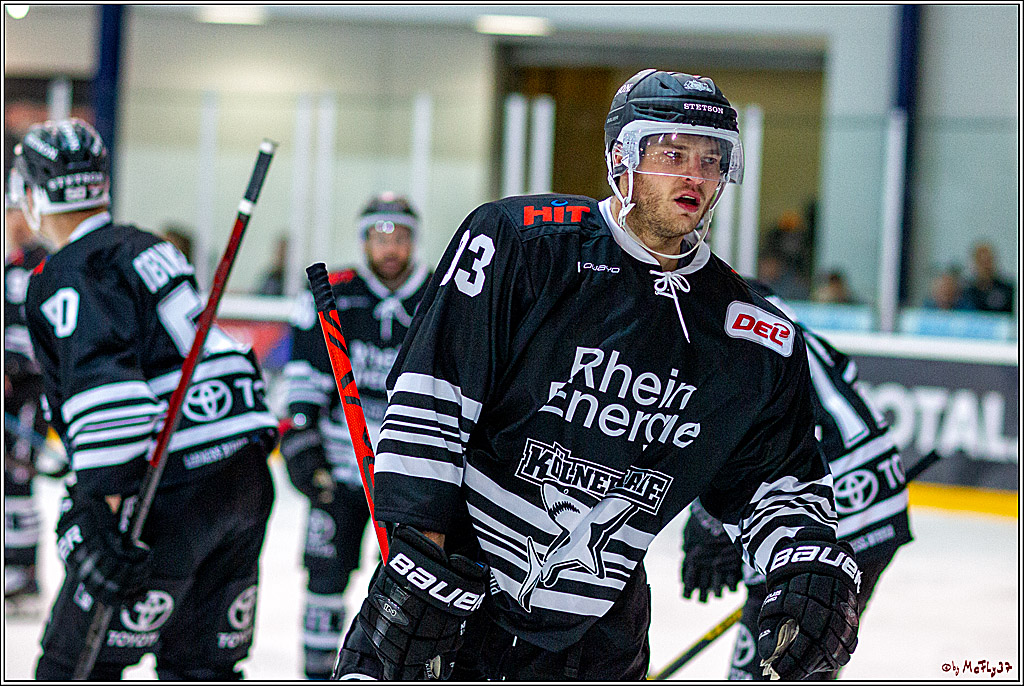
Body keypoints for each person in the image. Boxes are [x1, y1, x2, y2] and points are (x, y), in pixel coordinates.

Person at [333, 69, 860, 681]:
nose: (694, 176)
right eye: (672, 154)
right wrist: (417, 559)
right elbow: (433, 402)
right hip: (453, 592)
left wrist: (810, 568)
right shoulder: (520, 244)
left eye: (711, 159)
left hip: (598, 631)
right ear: (621, 158)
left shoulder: (750, 334)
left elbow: (774, 480)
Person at [15, 119, 279, 680]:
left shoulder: (68, 270)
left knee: (73, 667)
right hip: (245, 475)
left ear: (34, 193)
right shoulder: (147, 246)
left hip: (171, 487)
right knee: (201, 667)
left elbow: (108, 395)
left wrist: (100, 517)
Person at [680, 278, 913, 680]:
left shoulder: (702, 304)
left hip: (815, 500)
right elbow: (840, 370)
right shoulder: (754, 299)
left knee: (778, 660)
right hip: (879, 489)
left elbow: (735, 426)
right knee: (808, 653)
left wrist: (709, 522)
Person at [280, 192, 432, 679]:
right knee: (325, 573)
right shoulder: (334, 293)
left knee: (405, 581)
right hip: (341, 470)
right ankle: (318, 670)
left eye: (400, 236)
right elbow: (304, 371)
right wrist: (301, 438)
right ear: (364, 239)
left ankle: (382, 667)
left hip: (406, 476)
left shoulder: (439, 293)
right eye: (379, 235)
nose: (390, 247)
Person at [4, 169, 52, 611]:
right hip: (9, 390)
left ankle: (24, 574)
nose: (11, 217)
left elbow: (42, 337)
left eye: (18, 208)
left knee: (19, 479)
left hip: (29, 391)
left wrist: (11, 367)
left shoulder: (44, 265)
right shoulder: (9, 267)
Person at [962, 241, 1014, 313]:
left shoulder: (1007, 290)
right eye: (981, 262)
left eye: (988, 261)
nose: (985, 267)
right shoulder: (967, 292)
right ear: (974, 264)